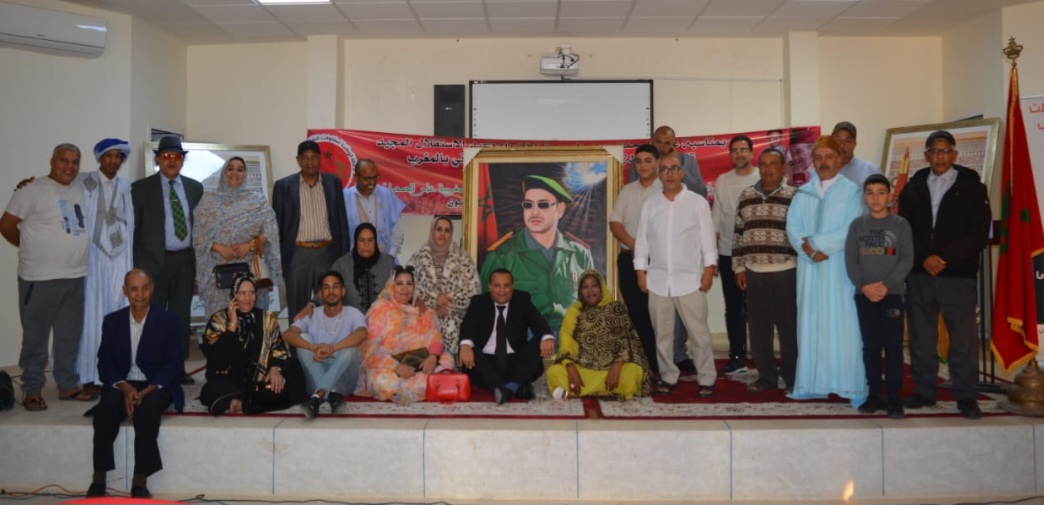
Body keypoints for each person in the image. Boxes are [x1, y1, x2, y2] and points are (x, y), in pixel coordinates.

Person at [898, 130, 991, 420]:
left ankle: (966, 396)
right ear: (926, 155)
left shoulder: (973, 187)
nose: (940, 156)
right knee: (921, 336)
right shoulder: (912, 188)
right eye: (934, 151)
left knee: (962, 339)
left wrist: (945, 259)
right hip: (920, 273)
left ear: (954, 154)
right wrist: (925, 258)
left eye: (945, 151)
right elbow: (904, 228)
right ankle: (924, 390)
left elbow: (978, 233)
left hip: (957, 275)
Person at [0, 143, 91, 410]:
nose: (69, 166)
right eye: (64, 160)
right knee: (35, 338)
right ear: (52, 161)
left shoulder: (80, 188)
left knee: (68, 336)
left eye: (75, 161)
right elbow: (6, 225)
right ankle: (31, 389)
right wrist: (27, 246)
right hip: (39, 279)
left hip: (75, 276)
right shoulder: (31, 190)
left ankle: (67, 384)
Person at [785, 135, 867, 408]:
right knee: (809, 324)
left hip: (838, 267)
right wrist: (808, 250)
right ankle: (811, 385)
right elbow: (792, 227)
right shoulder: (803, 193)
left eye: (828, 157)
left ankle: (850, 385)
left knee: (843, 325)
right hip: (809, 268)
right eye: (818, 157)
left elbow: (851, 229)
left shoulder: (851, 192)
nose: (823, 162)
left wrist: (818, 245)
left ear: (839, 159)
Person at [87, 269, 183, 499]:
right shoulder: (113, 321)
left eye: (144, 288)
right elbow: (105, 363)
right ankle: (99, 477)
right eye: (134, 289)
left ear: (152, 289)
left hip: (155, 384)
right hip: (123, 383)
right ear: (125, 291)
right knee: (104, 411)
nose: (140, 294)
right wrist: (124, 387)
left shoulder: (168, 321)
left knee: (147, 411)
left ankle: (139, 480)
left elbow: (174, 363)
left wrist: (150, 388)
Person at [633, 151, 718, 397]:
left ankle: (706, 378)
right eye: (664, 169)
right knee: (662, 336)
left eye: (674, 169)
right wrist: (640, 272)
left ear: (682, 172)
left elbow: (707, 240)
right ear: (658, 174)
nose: (669, 174)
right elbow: (642, 242)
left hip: (690, 280)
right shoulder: (650, 204)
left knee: (699, 334)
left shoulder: (697, 203)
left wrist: (709, 270)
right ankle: (668, 376)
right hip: (658, 281)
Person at [479, 175, 594, 332]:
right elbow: (486, 311)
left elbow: (591, 306)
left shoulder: (580, 254)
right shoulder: (502, 256)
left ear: (560, 209)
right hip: (523, 339)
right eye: (528, 205)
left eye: (543, 205)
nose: (534, 212)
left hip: (570, 337)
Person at [132, 136, 204, 384]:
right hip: (152, 263)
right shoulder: (140, 189)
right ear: (157, 159)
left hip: (184, 262)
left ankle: (176, 367)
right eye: (166, 156)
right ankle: (150, 367)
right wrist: (139, 269)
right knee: (152, 317)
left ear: (182, 160)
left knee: (180, 317)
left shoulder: (195, 188)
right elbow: (134, 231)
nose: (172, 161)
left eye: (177, 157)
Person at [846, 174, 914, 418]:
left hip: (892, 294)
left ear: (889, 196)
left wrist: (886, 285)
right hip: (864, 295)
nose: (876, 198)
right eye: (870, 193)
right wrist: (864, 286)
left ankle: (894, 396)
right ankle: (874, 394)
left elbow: (907, 259)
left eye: (881, 192)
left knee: (893, 346)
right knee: (871, 345)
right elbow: (851, 260)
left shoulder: (900, 225)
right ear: (864, 197)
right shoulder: (857, 225)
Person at [733, 148, 798, 393]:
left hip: (786, 271)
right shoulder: (746, 195)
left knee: (789, 328)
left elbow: (803, 234)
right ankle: (766, 377)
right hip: (754, 272)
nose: (767, 169)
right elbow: (738, 234)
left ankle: (792, 377)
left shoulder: (795, 196)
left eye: (773, 164)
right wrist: (739, 267)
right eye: (763, 164)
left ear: (783, 168)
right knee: (759, 329)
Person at [76, 139, 136, 397]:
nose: (113, 161)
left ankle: (117, 373)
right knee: (92, 314)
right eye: (108, 156)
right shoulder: (84, 182)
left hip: (119, 259)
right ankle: (89, 375)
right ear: (99, 158)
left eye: (117, 156)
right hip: (93, 260)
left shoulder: (125, 186)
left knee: (118, 311)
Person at [199, 274, 306, 416]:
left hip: (263, 377)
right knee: (211, 390)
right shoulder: (218, 320)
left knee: (294, 369)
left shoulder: (267, 318)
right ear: (234, 296)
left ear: (256, 295)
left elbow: (278, 347)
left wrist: (275, 369)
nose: (247, 298)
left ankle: (244, 402)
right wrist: (232, 326)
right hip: (231, 380)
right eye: (242, 293)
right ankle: (261, 399)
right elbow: (218, 361)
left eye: (251, 293)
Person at [193, 156, 283, 317]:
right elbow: (197, 235)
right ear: (223, 172)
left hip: (251, 270)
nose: (235, 173)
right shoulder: (207, 202)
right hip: (217, 274)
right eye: (230, 168)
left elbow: (270, 230)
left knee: (251, 318)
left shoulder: (257, 200)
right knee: (221, 319)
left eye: (240, 169)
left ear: (245, 174)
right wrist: (220, 249)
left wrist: (249, 246)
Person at [545, 270, 652, 399]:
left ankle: (576, 392)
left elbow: (628, 341)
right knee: (553, 372)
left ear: (601, 287)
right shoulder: (575, 311)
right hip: (584, 366)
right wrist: (570, 367)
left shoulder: (615, 308)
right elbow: (567, 343)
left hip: (613, 367)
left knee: (634, 371)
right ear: (580, 291)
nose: (590, 291)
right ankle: (608, 391)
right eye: (585, 287)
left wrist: (617, 365)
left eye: (594, 285)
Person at [273, 140, 349, 317]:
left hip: (327, 253)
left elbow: (341, 222)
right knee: (298, 308)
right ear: (298, 160)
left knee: (329, 304)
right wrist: (279, 260)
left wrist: (343, 256)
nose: (309, 162)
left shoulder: (333, 183)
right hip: (297, 254)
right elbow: (277, 227)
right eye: (305, 158)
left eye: (313, 157)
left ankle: (328, 336)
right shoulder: (284, 186)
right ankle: (297, 337)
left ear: (320, 159)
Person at [358, 266, 454, 405]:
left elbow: (436, 338)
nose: (404, 288)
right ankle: (424, 388)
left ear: (414, 288)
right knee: (379, 380)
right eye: (399, 284)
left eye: (409, 284)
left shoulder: (423, 311)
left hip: (419, 364)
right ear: (392, 286)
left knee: (447, 359)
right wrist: (397, 367)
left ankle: (406, 391)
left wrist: (432, 357)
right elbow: (370, 350)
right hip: (389, 367)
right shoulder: (379, 310)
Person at [459, 268, 556, 405]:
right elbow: (468, 326)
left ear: (513, 286)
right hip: (486, 364)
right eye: (497, 286)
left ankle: (505, 389)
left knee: (538, 341)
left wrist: (548, 338)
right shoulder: (478, 302)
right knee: (468, 348)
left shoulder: (521, 299)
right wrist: (465, 346)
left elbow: (537, 321)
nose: (502, 291)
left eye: (506, 285)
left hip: (515, 362)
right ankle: (516, 387)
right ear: (490, 286)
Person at [283, 271, 367, 419]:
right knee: (302, 338)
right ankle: (330, 394)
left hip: (344, 380)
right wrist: (312, 347)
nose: (331, 291)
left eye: (335, 287)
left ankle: (319, 395)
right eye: (326, 288)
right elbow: (288, 335)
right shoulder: (311, 314)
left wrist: (333, 348)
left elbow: (362, 334)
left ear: (343, 291)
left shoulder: (353, 313)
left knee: (350, 347)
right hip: (315, 378)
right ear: (320, 294)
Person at [609, 143, 661, 376]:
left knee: (660, 316)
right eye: (638, 161)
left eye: (648, 160)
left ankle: (664, 365)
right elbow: (615, 223)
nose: (642, 165)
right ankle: (649, 366)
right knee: (638, 315)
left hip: (658, 261)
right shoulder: (627, 191)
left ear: (657, 162)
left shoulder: (666, 190)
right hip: (629, 259)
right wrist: (634, 244)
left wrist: (646, 249)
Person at [714, 135, 761, 375]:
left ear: (751, 153)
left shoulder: (762, 178)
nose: (739, 154)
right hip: (727, 253)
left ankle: (762, 358)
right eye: (734, 150)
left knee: (758, 309)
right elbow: (716, 217)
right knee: (733, 308)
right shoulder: (723, 180)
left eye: (743, 149)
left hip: (757, 255)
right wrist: (712, 255)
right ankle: (737, 356)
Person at [407, 216, 481, 360]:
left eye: (447, 230)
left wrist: (447, 305)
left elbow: (473, 290)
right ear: (432, 231)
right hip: (424, 324)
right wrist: (434, 299)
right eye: (439, 229)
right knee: (425, 366)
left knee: (449, 366)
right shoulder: (418, 258)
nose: (442, 234)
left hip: (454, 325)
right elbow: (408, 287)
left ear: (451, 234)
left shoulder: (462, 258)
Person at [344, 159, 406, 260]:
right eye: (367, 178)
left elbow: (397, 229)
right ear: (356, 177)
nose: (372, 182)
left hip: (385, 257)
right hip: (353, 260)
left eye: (375, 177)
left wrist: (391, 256)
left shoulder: (387, 195)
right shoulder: (344, 197)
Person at [628, 125, 707, 197]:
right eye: (658, 142)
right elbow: (631, 193)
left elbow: (701, 192)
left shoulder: (688, 161)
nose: (662, 147)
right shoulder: (639, 162)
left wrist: (678, 165)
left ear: (674, 144)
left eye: (667, 143)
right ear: (652, 141)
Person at [833, 121, 880, 186]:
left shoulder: (870, 170)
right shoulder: (822, 169)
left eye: (848, 141)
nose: (842, 145)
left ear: (854, 144)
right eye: (838, 140)